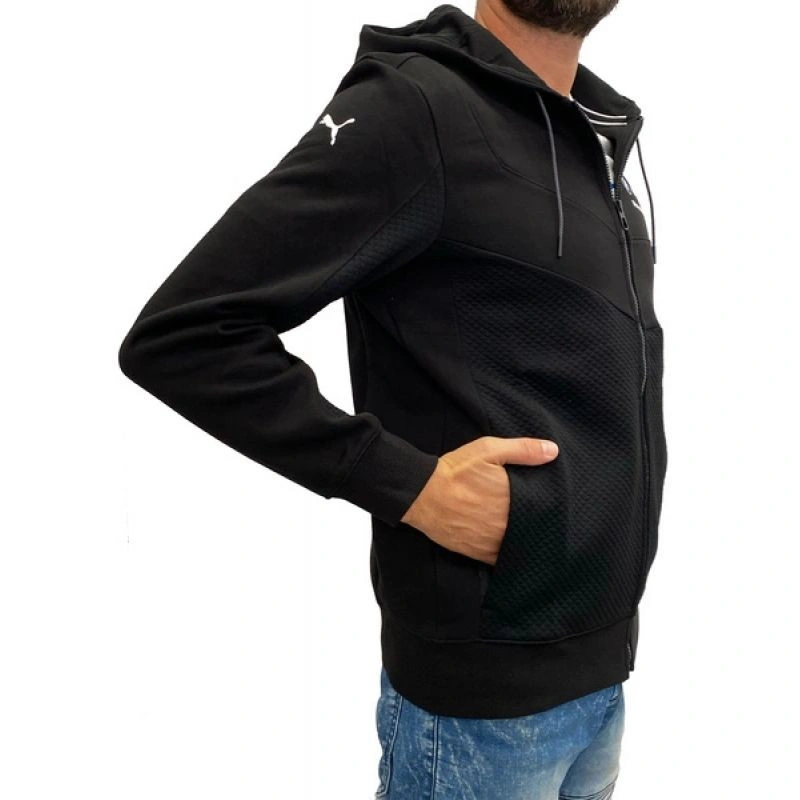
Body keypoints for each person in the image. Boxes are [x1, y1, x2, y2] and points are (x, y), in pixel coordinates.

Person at [118, 1, 666, 797]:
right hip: (478, 710)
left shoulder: (595, 137)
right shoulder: (414, 109)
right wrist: (408, 485)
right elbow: (187, 334)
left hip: (600, 683)